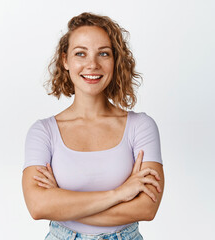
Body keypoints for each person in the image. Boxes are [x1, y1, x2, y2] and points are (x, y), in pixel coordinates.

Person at [22, 12, 164, 240]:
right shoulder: (43, 132)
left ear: (115, 60)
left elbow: (146, 208)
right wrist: (119, 194)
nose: (92, 64)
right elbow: (38, 206)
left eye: (103, 54)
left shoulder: (141, 127)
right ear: (65, 60)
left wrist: (61, 203)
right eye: (81, 53)